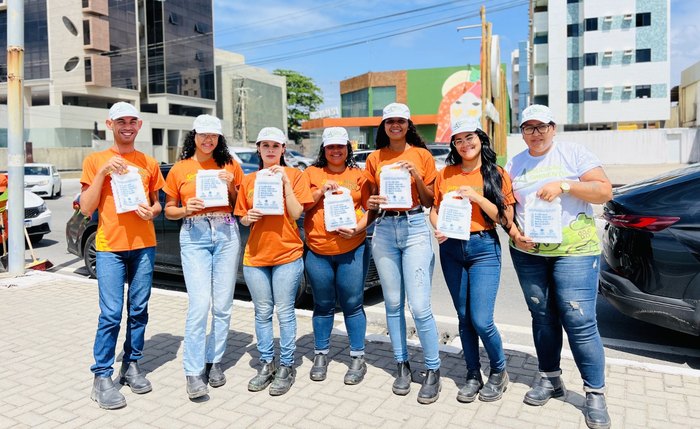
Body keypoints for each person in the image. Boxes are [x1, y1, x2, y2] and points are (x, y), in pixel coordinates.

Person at [506, 104, 613, 429]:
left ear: (553, 128)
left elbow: (603, 191)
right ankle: (549, 377)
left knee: (579, 320)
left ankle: (594, 393)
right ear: (522, 132)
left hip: (575, 251)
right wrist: (513, 232)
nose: (535, 133)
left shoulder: (573, 153)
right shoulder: (515, 163)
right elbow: (508, 205)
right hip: (529, 253)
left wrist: (564, 185)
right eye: (528, 128)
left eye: (541, 127)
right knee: (542, 316)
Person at [80, 102, 165, 410]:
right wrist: (103, 172)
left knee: (139, 310)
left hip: (144, 245)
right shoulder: (95, 160)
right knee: (111, 314)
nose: (127, 126)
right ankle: (102, 376)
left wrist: (152, 211)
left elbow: (157, 204)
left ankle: (131, 365)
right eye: (121, 121)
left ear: (139, 125)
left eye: (132, 121)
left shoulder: (148, 162)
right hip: (109, 247)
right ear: (110, 124)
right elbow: (87, 207)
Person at [429, 119, 515, 403]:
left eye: (470, 138)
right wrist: (438, 226)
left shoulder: (496, 173)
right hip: (451, 248)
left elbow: (504, 218)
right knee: (464, 318)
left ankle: (499, 371)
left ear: (480, 139)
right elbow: (434, 209)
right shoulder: (446, 173)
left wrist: (477, 197)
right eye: (458, 140)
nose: (465, 144)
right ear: (453, 145)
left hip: (483, 248)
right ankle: (472, 373)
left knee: (481, 319)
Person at [365, 102, 442, 404]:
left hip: (414, 227)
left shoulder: (422, 156)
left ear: (409, 125)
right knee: (393, 304)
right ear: (383, 126)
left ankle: (433, 369)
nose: (395, 125)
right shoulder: (374, 158)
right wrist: (373, 202)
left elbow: (428, 199)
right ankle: (402, 364)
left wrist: (417, 177)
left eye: (400, 121)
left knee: (420, 306)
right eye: (389, 121)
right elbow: (370, 198)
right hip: (384, 229)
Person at [163, 115, 244, 399]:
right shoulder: (180, 168)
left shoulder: (231, 165)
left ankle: (215, 361)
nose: (208, 140)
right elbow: (168, 209)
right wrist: (187, 209)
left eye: (213, 136)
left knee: (222, 305)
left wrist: (233, 185)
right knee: (199, 304)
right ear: (194, 136)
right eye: (203, 135)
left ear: (219, 139)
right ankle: (194, 371)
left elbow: (239, 206)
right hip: (194, 233)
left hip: (226, 232)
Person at [234, 127, 313, 396]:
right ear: (258, 148)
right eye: (265, 145)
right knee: (262, 312)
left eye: (275, 145)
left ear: (283, 149)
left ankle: (287, 365)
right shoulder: (249, 180)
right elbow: (241, 217)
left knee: (285, 311)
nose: (270, 149)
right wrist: (248, 218)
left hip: (287, 254)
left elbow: (296, 212)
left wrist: (286, 184)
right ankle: (266, 364)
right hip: (256, 256)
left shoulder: (295, 175)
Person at [303, 127, 374, 385]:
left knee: (353, 303)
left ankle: (357, 356)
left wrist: (357, 228)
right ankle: (321, 354)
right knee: (322, 304)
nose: (335, 151)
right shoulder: (311, 173)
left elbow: (370, 210)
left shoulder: (359, 175)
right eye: (331, 147)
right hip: (318, 250)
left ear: (347, 148)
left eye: (340, 146)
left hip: (352, 248)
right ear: (324, 149)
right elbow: (301, 205)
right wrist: (320, 191)